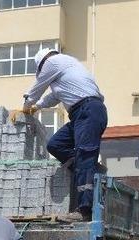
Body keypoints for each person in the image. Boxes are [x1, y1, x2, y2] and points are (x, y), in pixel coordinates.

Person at [10, 48, 108, 222]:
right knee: (55, 144)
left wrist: (26, 106)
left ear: (41, 64)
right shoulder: (66, 69)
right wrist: (36, 107)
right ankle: (89, 168)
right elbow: (52, 97)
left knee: (85, 155)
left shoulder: (53, 62)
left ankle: (84, 211)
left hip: (89, 110)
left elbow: (37, 88)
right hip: (81, 113)